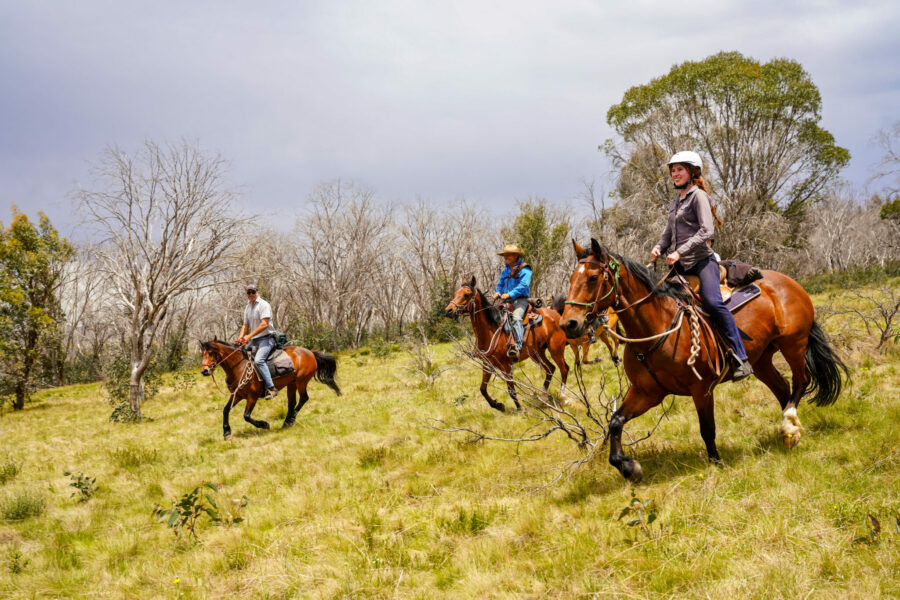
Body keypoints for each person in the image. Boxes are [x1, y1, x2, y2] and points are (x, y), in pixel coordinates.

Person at [649, 151, 753, 381]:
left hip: (702, 263)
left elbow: (707, 231)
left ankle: (741, 358)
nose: (675, 174)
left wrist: (679, 252)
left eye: (680, 169)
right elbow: (668, 234)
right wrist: (659, 248)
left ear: (692, 172)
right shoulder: (674, 203)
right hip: (680, 267)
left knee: (714, 303)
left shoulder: (699, 197)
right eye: (673, 170)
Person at [236, 284, 278, 399]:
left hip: (266, 338)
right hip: (254, 340)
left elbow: (264, 324)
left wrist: (248, 336)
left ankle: (271, 388)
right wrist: (241, 338)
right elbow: (245, 325)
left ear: (257, 292)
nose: (251, 294)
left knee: (259, 361)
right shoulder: (248, 306)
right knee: (240, 356)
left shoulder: (264, 305)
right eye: (248, 293)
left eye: (253, 292)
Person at [492, 244, 532, 357]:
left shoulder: (525, 269)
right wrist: (497, 292)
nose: (505, 258)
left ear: (515, 255)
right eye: (504, 256)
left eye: (508, 255)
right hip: (507, 301)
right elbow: (500, 284)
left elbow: (524, 286)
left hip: (520, 300)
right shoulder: (505, 271)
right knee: (494, 317)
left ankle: (517, 347)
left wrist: (509, 294)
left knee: (516, 318)